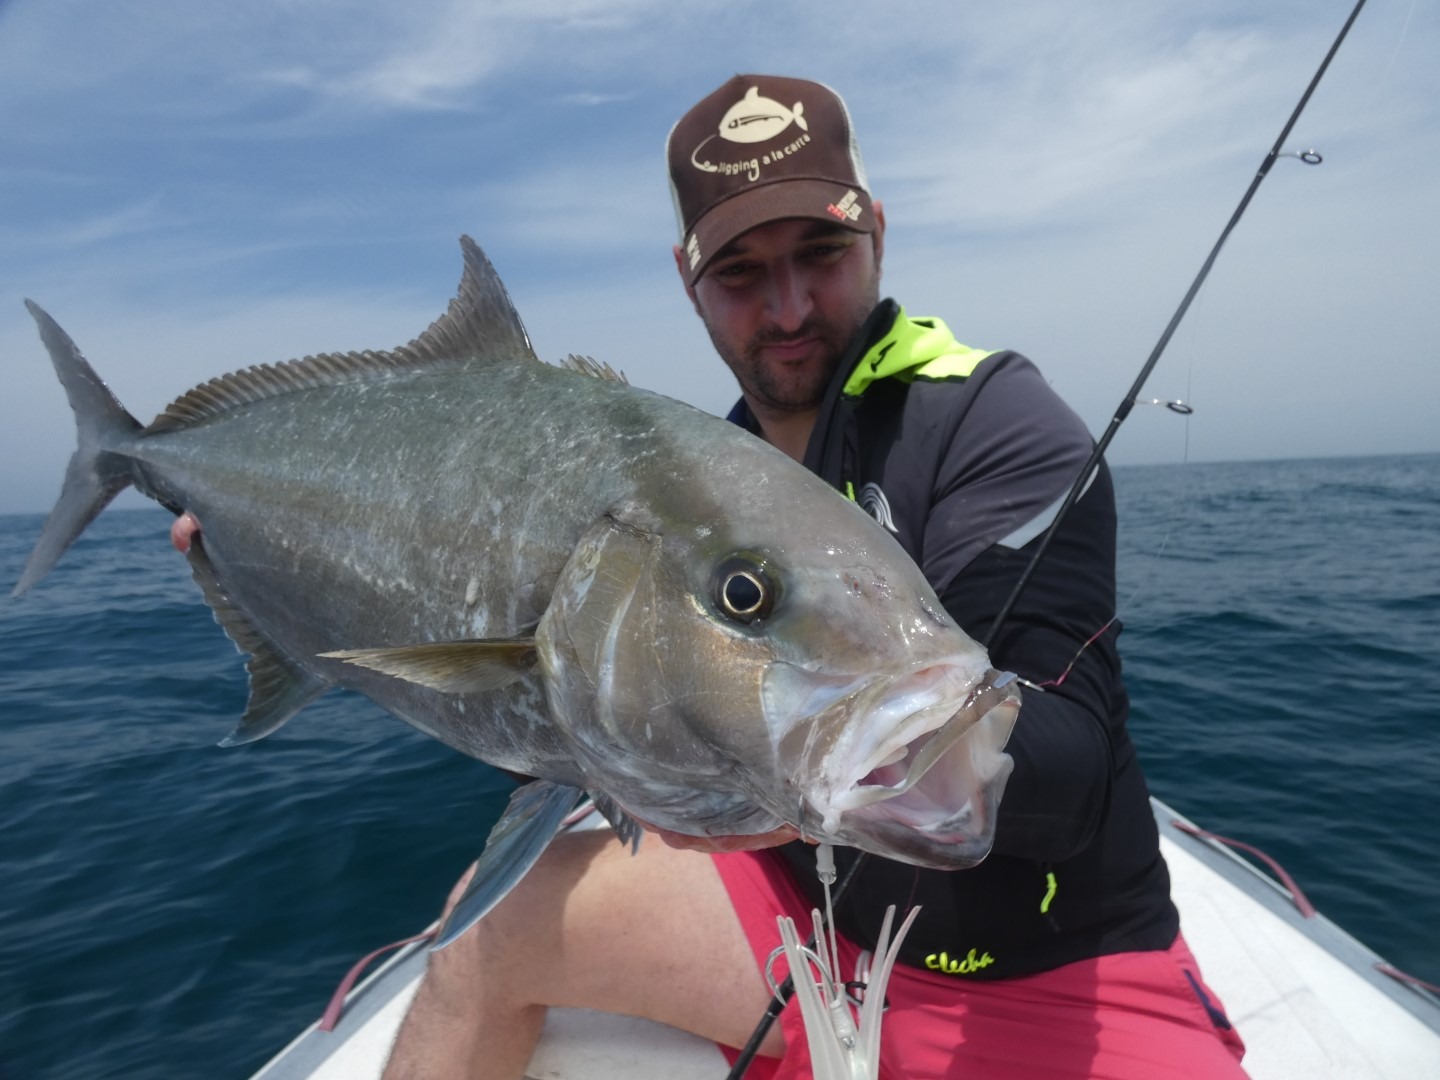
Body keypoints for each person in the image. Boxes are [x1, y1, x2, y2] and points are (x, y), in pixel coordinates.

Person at [177, 75, 1248, 1079]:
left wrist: (817, 771)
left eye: (821, 252)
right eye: (740, 273)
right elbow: (575, 703)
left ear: (876, 232)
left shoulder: (992, 421)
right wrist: (276, 579)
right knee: (484, 930)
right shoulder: (695, 464)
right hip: (801, 927)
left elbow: (1073, 760)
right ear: (690, 283)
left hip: (1049, 967)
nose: (788, 307)